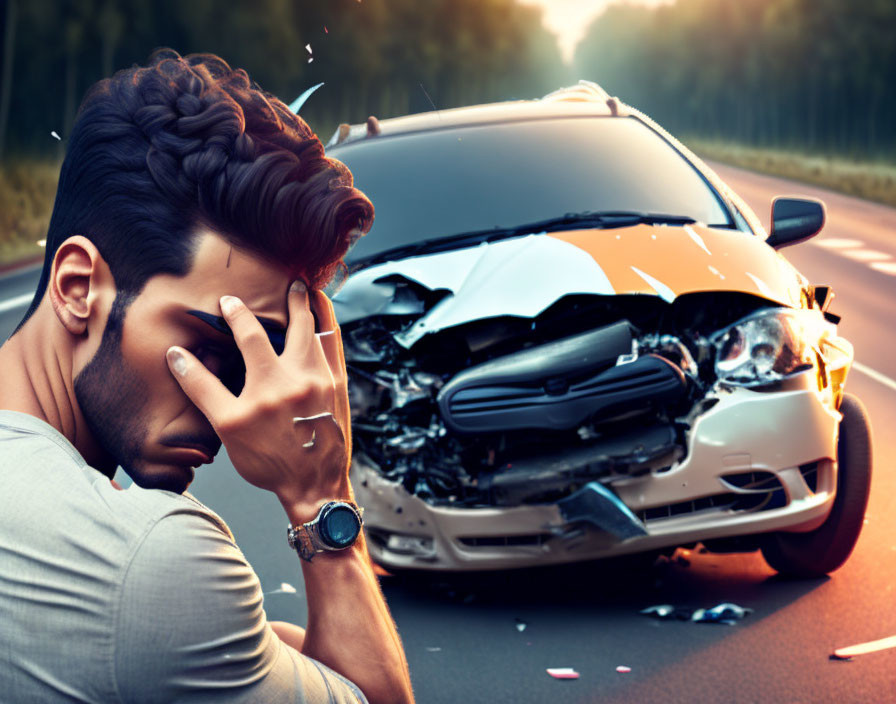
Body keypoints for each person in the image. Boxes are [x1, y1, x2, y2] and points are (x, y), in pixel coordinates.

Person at [0, 48, 414, 704]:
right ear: (79, 287)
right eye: (210, 342)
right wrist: (320, 496)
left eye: (261, 354)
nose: (240, 405)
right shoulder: (148, 559)